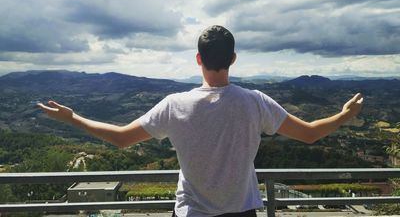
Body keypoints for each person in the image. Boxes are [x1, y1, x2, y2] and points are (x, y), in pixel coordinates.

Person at [38, 25, 363, 217]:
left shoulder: (174, 105)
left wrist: (73, 118)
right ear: (233, 59)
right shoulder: (256, 102)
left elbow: (122, 138)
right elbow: (308, 134)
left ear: (198, 59)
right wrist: (343, 116)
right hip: (243, 211)